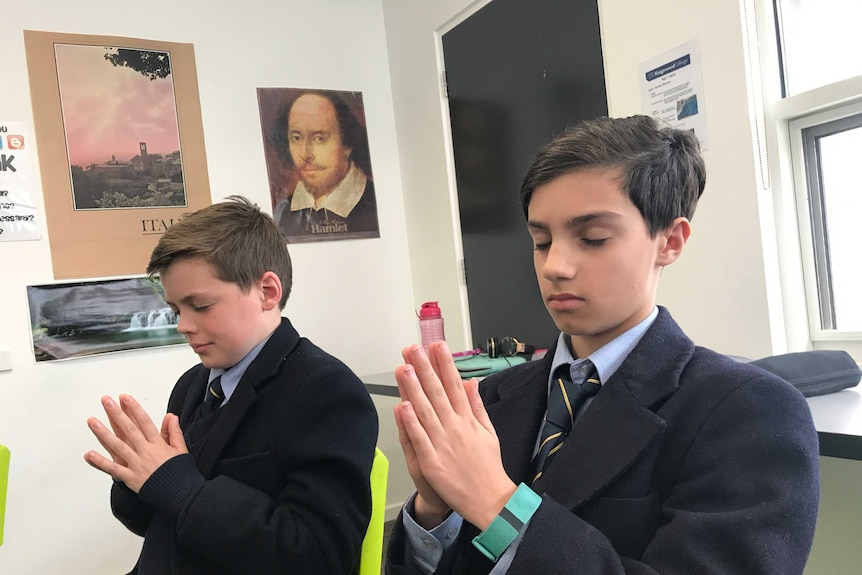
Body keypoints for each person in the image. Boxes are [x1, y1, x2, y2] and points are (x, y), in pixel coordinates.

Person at [386, 115, 820, 574]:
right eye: (541, 241)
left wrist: (496, 501)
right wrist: (435, 513)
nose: (555, 265)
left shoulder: (747, 413)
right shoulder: (493, 397)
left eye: (592, 239)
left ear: (669, 241)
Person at [84, 196, 378, 574]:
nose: (183, 326)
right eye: (177, 310)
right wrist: (136, 478)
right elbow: (153, 524)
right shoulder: (193, 385)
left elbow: (319, 556)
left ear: (268, 292)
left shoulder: (327, 392)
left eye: (201, 306)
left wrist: (179, 485)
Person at [270, 90, 379, 241]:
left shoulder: (375, 207)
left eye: (319, 138)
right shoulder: (281, 213)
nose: (306, 154)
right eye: (296, 138)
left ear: (347, 143)